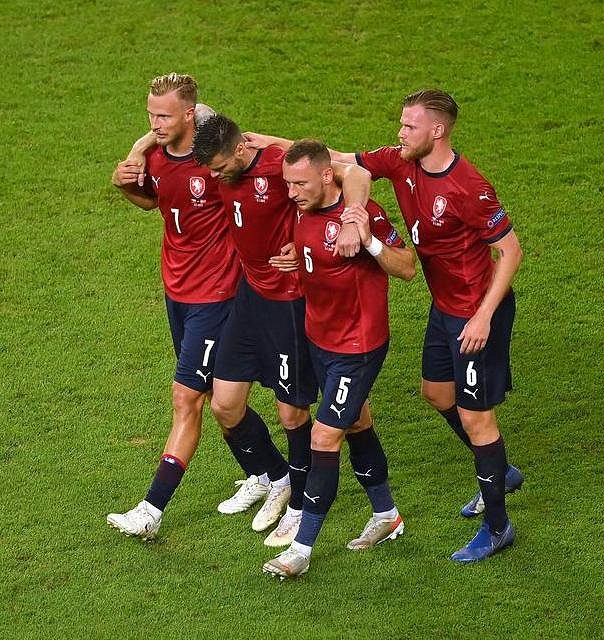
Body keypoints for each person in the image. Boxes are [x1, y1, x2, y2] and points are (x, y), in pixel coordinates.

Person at [247, 88, 524, 563]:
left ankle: (497, 525)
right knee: (438, 394)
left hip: (477, 312)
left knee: (478, 419)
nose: (400, 133)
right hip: (446, 308)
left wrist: (482, 315)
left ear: (437, 130)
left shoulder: (469, 187)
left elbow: (511, 251)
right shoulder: (402, 163)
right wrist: (265, 142)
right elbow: (336, 161)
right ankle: (500, 471)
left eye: (409, 126)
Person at [106, 73, 285, 540]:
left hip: (219, 295)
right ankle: (271, 476)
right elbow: (153, 204)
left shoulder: (218, 163)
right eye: (150, 114)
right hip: (177, 291)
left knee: (187, 399)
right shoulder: (156, 157)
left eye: (164, 115)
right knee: (212, 398)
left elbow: (267, 194)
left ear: (191, 114)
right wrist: (125, 179)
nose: (155, 122)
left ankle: (150, 510)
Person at [192, 116, 373, 546]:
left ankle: (296, 507)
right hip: (249, 296)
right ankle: (277, 478)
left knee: (292, 411)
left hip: (289, 302)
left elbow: (356, 172)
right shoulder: (224, 152)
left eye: (219, 167)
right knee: (224, 404)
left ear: (239, 150)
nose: (214, 177)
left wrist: (352, 219)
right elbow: (187, 109)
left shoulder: (276, 165)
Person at [261, 140, 416, 578]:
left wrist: (367, 241)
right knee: (357, 421)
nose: (291, 192)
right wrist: (301, 258)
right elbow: (317, 252)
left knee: (324, 438)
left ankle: (301, 549)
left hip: (357, 346)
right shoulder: (302, 209)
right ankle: (387, 515)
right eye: (288, 184)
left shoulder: (364, 215)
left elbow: (406, 268)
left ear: (327, 176)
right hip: (319, 339)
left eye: (300, 184)